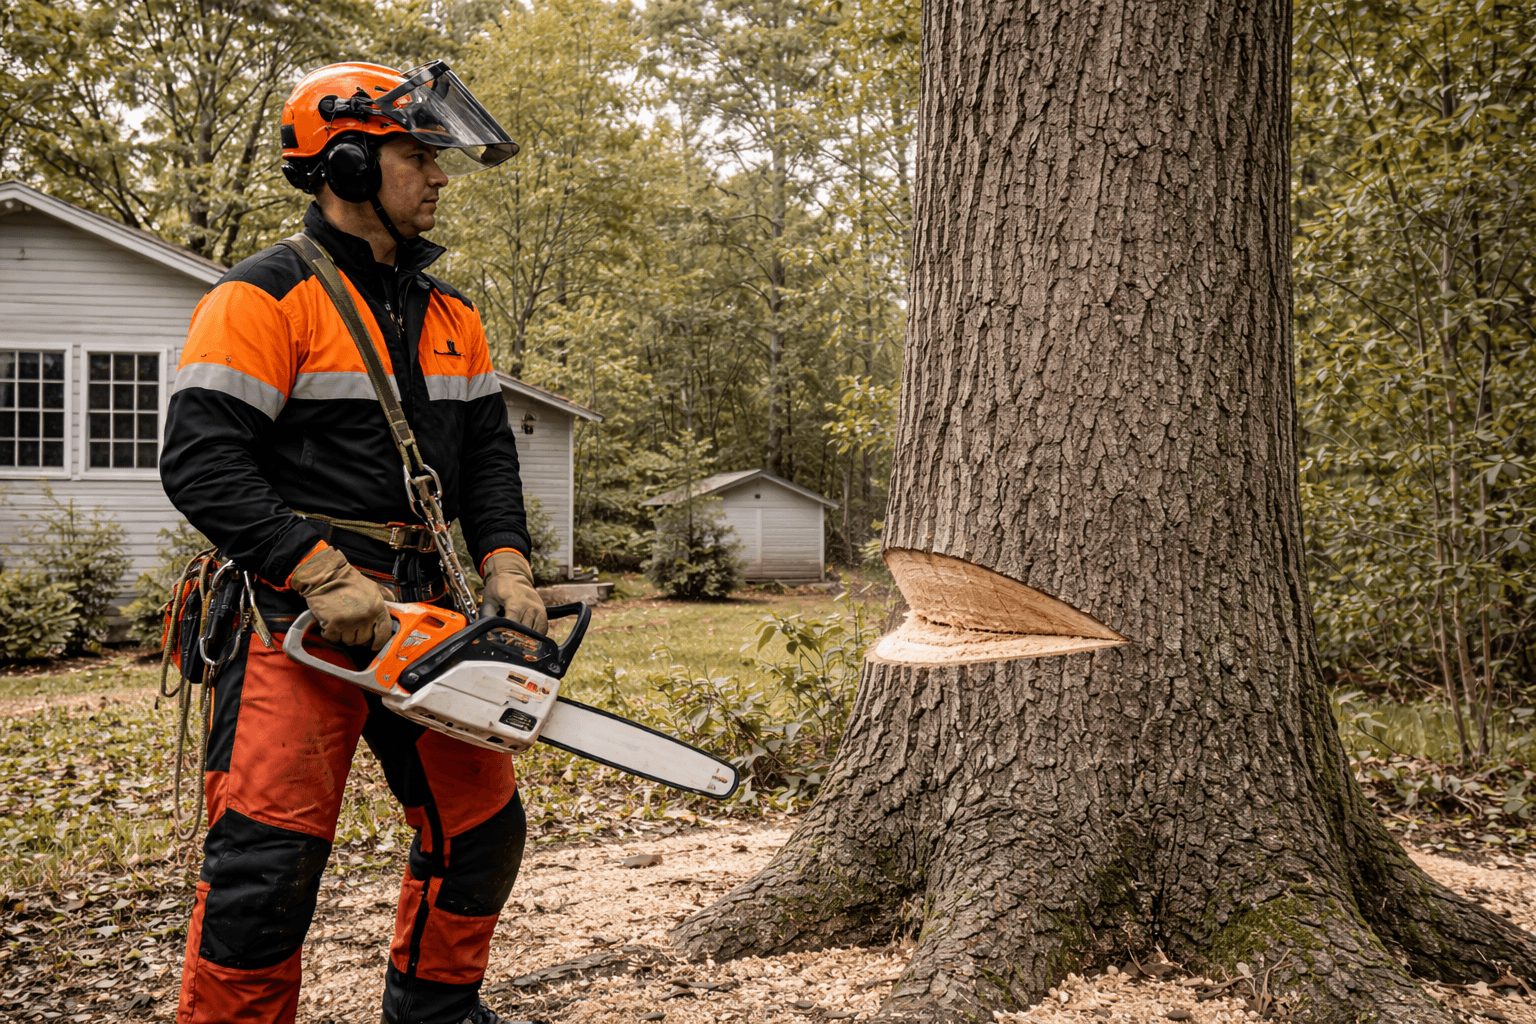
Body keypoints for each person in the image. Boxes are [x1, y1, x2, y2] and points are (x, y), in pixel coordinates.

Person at [160, 61, 544, 1024]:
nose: (440, 176)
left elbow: (488, 457)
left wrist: (503, 558)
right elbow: (202, 462)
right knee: (266, 864)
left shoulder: (453, 314)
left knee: (483, 824)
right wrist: (314, 567)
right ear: (347, 162)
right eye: (419, 154)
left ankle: (435, 1010)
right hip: (296, 614)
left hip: (425, 613)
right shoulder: (262, 299)